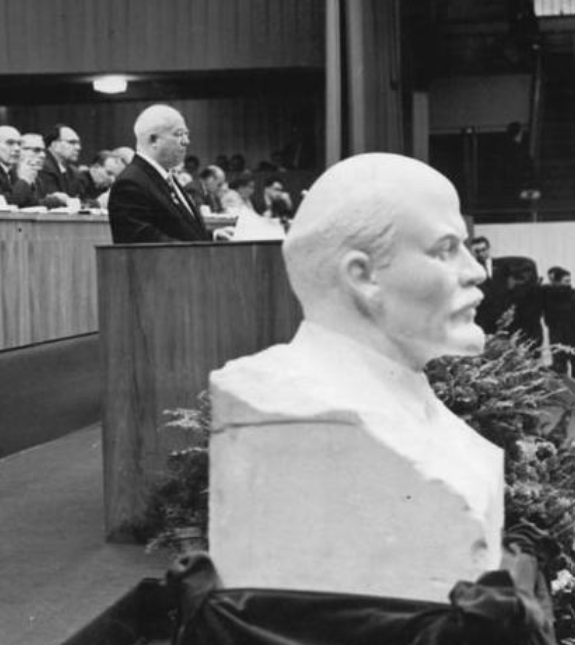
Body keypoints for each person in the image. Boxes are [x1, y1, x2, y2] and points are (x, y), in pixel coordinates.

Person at [208, 152, 503, 602]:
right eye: (445, 249)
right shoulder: (289, 401)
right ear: (363, 276)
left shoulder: (406, 395)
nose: (475, 269)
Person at [107, 104, 208, 243]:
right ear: (153, 140)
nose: (186, 141)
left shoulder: (165, 177)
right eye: (179, 134)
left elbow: (181, 230)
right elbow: (143, 241)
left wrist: (212, 236)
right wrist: (199, 250)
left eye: (187, 134)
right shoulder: (130, 183)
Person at [36, 124, 83, 207]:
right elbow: (57, 202)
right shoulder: (43, 166)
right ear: (54, 145)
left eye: (78, 143)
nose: (78, 147)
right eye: (72, 142)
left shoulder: (74, 172)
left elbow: (79, 200)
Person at [544, 266, 575, 376]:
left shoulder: (572, 295)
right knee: (559, 368)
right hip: (557, 337)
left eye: (569, 281)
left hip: (571, 337)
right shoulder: (547, 294)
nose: (568, 284)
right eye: (566, 281)